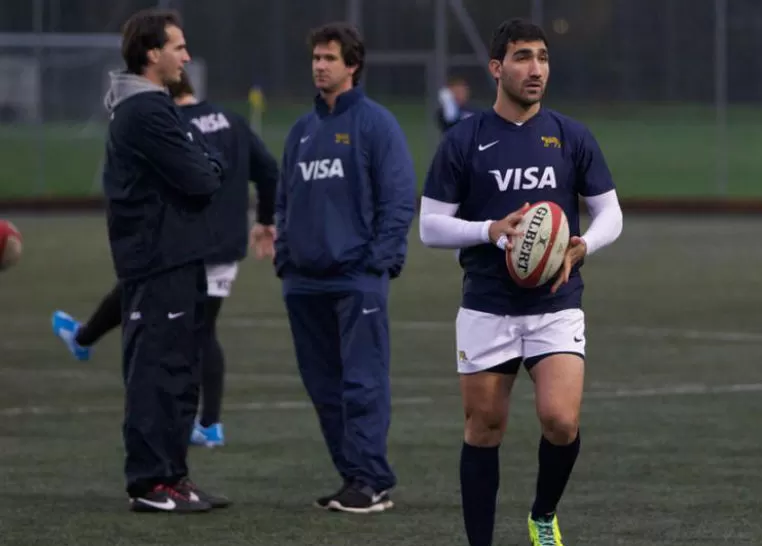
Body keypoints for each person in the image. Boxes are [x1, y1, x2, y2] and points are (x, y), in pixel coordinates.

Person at [418, 18, 623, 545]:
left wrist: (584, 245)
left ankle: (543, 514)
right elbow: (430, 226)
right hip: (487, 305)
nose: (536, 69)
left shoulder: (571, 136)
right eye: (523, 57)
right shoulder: (465, 139)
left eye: (544, 59)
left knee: (560, 420)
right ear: (497, 68)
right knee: (484, 428)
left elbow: (610, 214)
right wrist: (489, 230)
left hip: (556, 303)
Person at [51, 72, 279, 449]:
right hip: (227, 247)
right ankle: (209, 424)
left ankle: (159, 420)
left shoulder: (169, 125)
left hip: (181, 244)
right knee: (203, 331)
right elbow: (270, 171)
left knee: (151, 319)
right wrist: (266, 221)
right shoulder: (233, 120)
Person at [273, 22, 416, 514]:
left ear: (351, 65)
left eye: (329, 58)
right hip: (304, 282)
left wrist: (378, 261)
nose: (319, 65)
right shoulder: (302, 130)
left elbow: (399, 200)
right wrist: (285, 259)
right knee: (323, 388)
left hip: (357, 279)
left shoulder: (376, 125)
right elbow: (283, 201)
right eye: (315, 57)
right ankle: (351, 477)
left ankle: (371, 480)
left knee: (362, 383)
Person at [99, 8, 229, 513]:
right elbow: (202, 177)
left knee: (178, 372)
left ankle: (173, 478)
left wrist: (205, 164)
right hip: (158, 260)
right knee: (156, 373)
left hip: (176, 257)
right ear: (152, 54)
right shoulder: (146, 112)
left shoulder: (157, 107)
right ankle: (151, 483)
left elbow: (204, 165)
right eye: (178, 46)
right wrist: (205, 165)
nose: (186, 56)